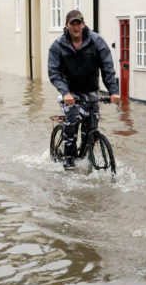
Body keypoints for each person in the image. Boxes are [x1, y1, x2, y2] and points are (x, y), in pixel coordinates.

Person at [48, 9, 121, 168]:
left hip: (90, 92)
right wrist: (65, 92)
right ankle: (69, 158)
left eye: (78, 23)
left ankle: (87, 157)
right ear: (66, 26)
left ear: (83, 24)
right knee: (72, 121)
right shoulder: (58, 46)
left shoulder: (96, 42)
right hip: (70, 93)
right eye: (72, 24)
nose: (76, 27)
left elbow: (107, 67)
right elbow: (53, 72)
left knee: (91, 130)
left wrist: (113, 91)